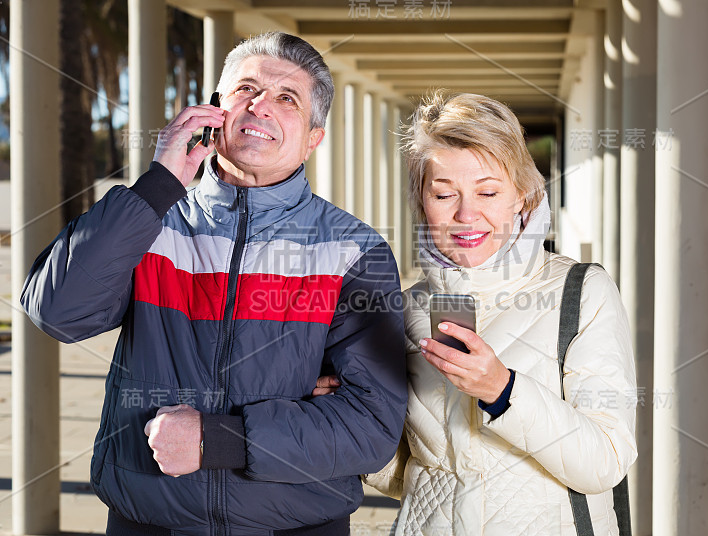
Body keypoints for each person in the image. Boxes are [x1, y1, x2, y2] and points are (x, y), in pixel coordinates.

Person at [20, 32, 407, 535]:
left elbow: (372, 426)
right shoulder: (150, 220)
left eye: (287, 98)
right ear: (215, 109)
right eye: (246, 89)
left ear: (314, 136)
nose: (261, 106)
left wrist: (220, 439)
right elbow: (58, 312)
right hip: (148, 520)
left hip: (298, 524)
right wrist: (158, 183)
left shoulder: (356, 250)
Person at [357, 92, 637, 534]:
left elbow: (605, 462)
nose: (467, 215)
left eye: (488, 191)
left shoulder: (580, 293)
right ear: (421, 199)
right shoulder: (406, 309)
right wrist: (351, 417)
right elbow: (408, 474)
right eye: (444, 194)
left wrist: (503, 390)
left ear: (522, 196)